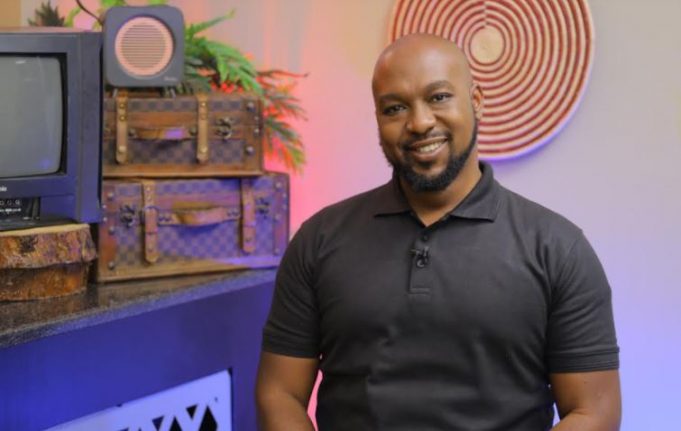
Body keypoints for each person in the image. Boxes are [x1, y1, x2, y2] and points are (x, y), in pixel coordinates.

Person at [256, 33, 621, 431]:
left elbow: (594, 412)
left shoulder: (558, 249)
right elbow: (280, 394)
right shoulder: (318, 240)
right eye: (395, 108)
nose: (420, 122)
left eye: (439, 97)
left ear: (476, 100)